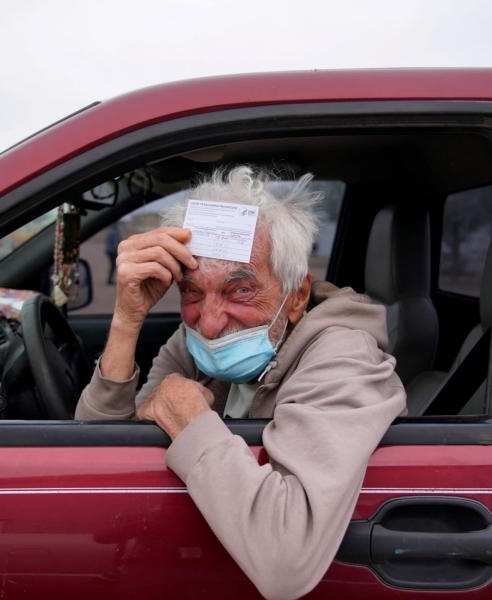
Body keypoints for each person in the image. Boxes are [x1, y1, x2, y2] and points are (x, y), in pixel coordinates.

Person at [75, 166, 406, 600]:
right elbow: (97, 458)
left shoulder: (344, 359)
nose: (210, 324)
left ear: (298, 296)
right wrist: (126, 320)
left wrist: (191, 420)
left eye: (241, 291)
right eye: (192, 293)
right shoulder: (196, 342)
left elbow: (286, 562)